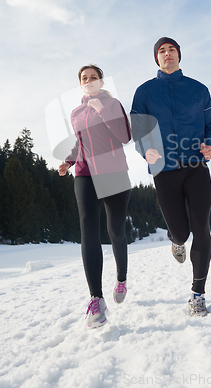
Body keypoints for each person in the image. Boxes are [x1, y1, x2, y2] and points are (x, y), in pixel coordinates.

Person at [131, 37, 211, 316]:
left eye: (171, 50)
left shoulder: (198, 89)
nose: (167, 54)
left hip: (196, 167)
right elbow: (138, 129)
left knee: (201, 228)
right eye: (162, 51)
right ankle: (175, 239)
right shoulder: (145, 92)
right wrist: (146, 151)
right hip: (165, 170)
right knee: (181, 232)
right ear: (156, 58)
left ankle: (198, 293)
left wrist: (210, 144)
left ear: (179, 56)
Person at [58, 64, 131, 328]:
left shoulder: (112, 105)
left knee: (116, 232)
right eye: (84, 78)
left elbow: (124, 136)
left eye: (93, 77)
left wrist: (102, 111)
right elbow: (80, 143)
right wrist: (69, 160)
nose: (88, 81)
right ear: (80, 84)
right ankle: (96, 300)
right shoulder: (76, 112)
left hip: (113, 173)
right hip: (85, 173)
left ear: (101, 81)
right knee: (88, 229)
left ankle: (121, 278)